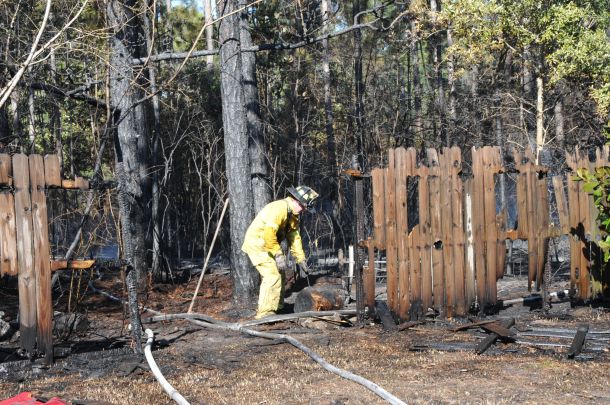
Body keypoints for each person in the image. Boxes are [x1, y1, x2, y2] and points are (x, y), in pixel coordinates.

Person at [242, 186, 319, 319]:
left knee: (280, 273)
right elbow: (269, 234)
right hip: (258, 243)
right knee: (272, 275)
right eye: (304, 207)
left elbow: (294, 237)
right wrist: (278, 254)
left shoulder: (293, 215)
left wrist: (301, 259)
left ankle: (277, 307)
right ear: (297, 201)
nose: (304, 210)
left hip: (268, 245)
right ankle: (265, 313)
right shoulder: (279, 208)